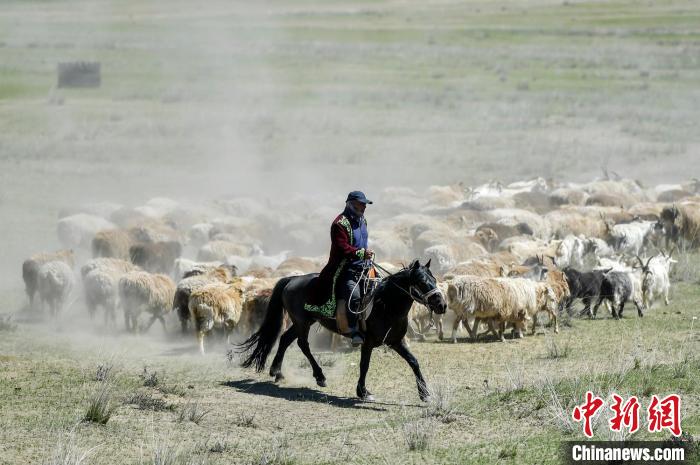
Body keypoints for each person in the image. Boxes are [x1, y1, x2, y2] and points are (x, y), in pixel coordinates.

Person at [308, 191, 374, 347]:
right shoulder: (339, 224)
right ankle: (353, 331)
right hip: (345, 270)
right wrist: (361, 253)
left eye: (365, 204)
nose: (364, 206)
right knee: (355, 296)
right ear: (350, 204)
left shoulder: (363, 220)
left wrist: (365, 255)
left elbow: (362, 242)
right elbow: (342, 248)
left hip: (364, 267)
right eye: (361, 203)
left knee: (377, 290)